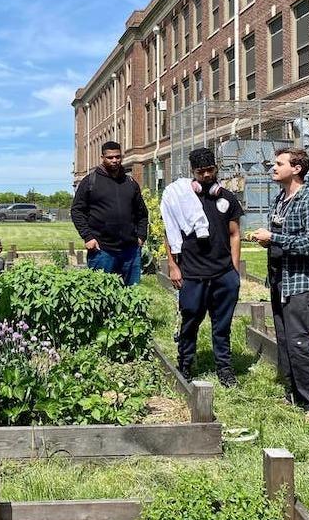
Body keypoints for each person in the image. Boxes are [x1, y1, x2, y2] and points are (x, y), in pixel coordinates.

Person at [250, 148, 309, 419]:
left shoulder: (308, 200)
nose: (273, 167)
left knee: (298, 342)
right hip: (281, 279)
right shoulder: (281, 198)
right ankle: (294, 394)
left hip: (302, 282)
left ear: (296, 169)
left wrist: (274, 239)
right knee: (284, 340)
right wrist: (266, 241)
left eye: (279, 163)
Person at [164, 147, 243, 387]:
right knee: (190, 322)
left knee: (222, 325)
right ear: (193, 172)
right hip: (192, 273)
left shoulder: (227, 198)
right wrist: (173, 266)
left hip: (223, 273)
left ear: (216, 168)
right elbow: (170, 233)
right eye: (201, 172)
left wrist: (234, 271)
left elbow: (235, 234)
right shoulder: (181, 198)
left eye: (210, 170)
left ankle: (225, 369)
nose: (207, 175)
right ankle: (186, 365)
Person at [70, 141, 148, 286]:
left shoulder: (130, 182)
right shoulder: (90, 181)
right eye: (110, 157)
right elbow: (77, 211)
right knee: (100, 296)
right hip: (102, 251)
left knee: (133, 296)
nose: (114, 161)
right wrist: (88, 237)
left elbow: (142, 213)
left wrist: (141, 236)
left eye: (117, 157)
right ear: (102, 157)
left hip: (130, 251)